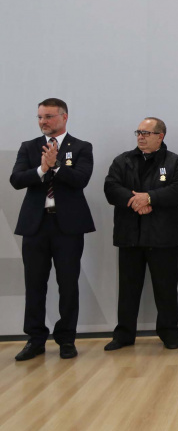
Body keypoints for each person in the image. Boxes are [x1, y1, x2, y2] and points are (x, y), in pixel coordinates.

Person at [10, 98, 94, 361]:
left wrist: (55, 166)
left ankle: (66, 339)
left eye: (48, 116)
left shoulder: (81, 147)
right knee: (34, 284)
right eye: (39, 117)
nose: (42, 122)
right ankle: (35, 339)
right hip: (35, 226)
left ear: (64, 117)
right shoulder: (30, 147)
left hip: (67, 227)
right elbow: (16, 180)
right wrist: (41, 168)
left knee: (68, 284)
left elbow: (80, 180)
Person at [103, 117, 178, 350]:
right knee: (128, 290)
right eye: (138, 132)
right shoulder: (123, 160)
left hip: (163, 238)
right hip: (129, 235)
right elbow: (111, 188)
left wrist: (150, 197)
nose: (140, 136)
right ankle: (123, 335)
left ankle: (170, 334)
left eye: (146, 133)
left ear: (160, 136)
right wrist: (136, 201)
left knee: (166, 289)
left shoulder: (176, 163)